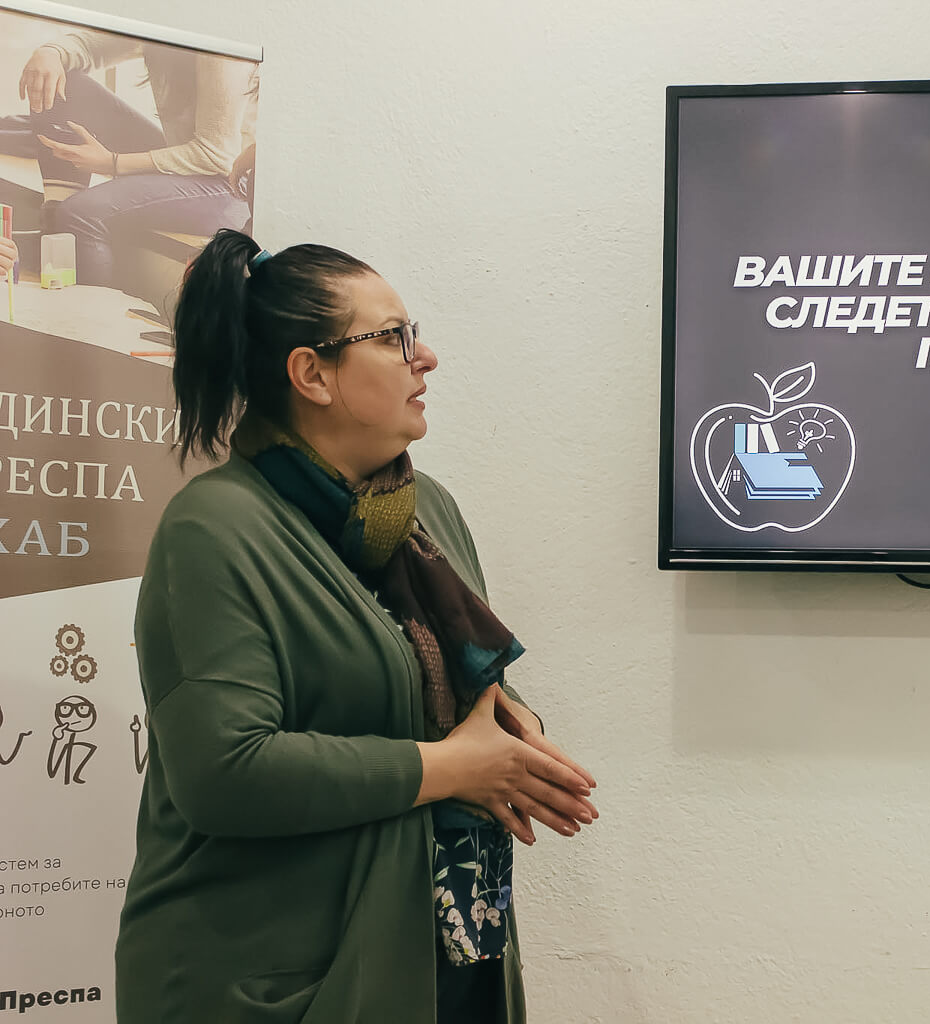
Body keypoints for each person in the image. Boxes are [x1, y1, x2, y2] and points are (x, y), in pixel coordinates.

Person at [117, 229, 598, 1023]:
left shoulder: (425, 509)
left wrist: (516, 735)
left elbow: (463, 693)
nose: (427, 357)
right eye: (394, 338)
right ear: (311, 373)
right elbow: (224, 773)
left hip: (446, 947)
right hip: (273, 978)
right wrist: (456, 768)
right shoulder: (215, 528)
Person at [14, 30, 256, 288]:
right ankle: (54, 231)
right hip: (186, 162)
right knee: (68, 84)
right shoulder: (162, 22)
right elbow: (90, 46)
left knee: (81, 213)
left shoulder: (220, 52)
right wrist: (49, 53)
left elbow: (215, 155)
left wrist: (112, 162)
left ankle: (88, 317)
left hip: (227, 186)